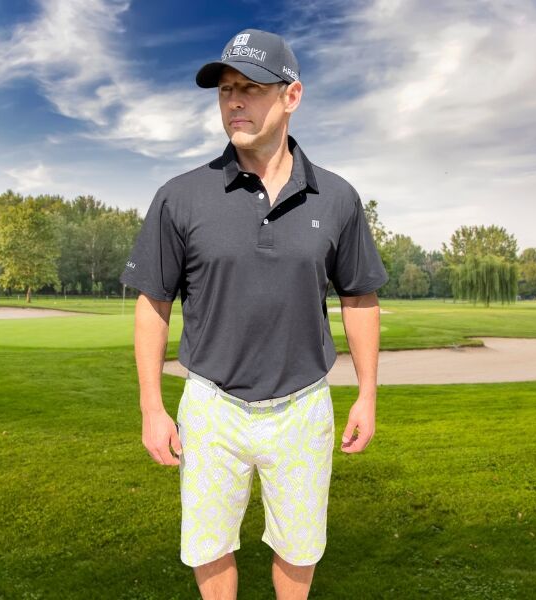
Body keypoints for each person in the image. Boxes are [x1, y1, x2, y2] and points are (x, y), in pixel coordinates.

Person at [119, 27, 389, 600]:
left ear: (292, 95)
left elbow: (360, 298)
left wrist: (367, 394)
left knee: (299, 545)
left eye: (251, 88)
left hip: (303, 405)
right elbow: (153, 303)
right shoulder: (180, 196)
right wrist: (151, 407)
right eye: (226, 90)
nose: (235, 102)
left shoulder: (338, 198)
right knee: (208, 544)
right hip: (212, 405)